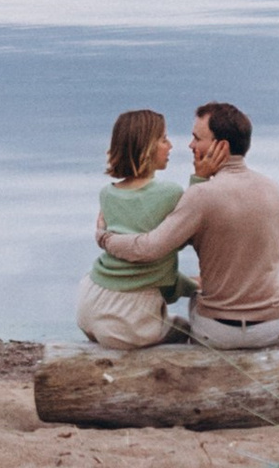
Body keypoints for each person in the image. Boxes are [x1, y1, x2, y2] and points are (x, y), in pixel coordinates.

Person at [90, 100, 279, 347]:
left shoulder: (201, 196)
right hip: (273, 329)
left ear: (221, 146)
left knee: (199, 298)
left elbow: (149, 249)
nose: (190, 145)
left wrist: (105, 237)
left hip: (217, 332)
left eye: (197, 138)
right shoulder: (273, 189)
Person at [73, 107, 194, 349]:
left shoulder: (107, 194)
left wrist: (189, 284)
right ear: (146, 146)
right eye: (163, 139)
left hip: (89, 301)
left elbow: (137, 264)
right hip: (128, 318)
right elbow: (167, 267)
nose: (170, 146)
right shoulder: (169, 193)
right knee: (189, 330)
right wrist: (195, 288)